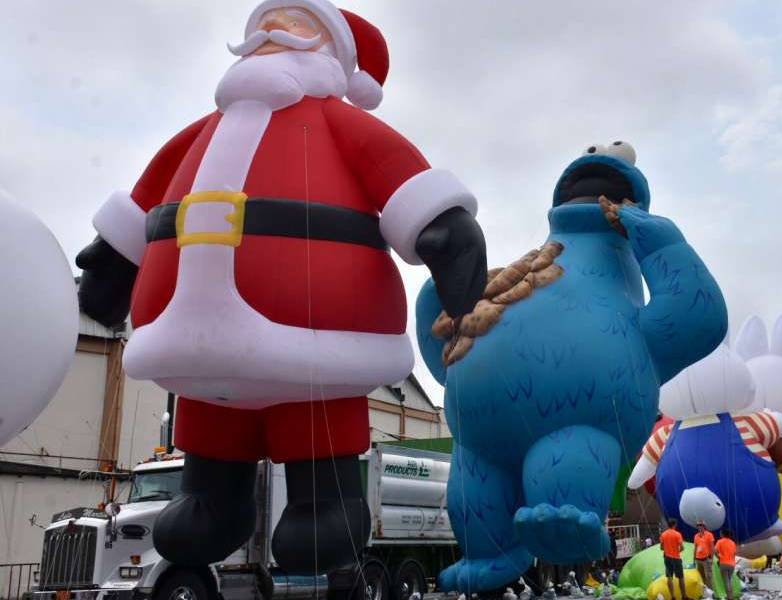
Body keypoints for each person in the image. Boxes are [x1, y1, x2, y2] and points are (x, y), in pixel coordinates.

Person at [73, 0, 489, 575]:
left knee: (312, 417)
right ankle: (212, 502)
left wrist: (443, 231)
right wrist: (113, 264)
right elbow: (149, 193)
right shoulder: (202, 132)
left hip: (314, 338)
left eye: (298, 27)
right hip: (193, 343)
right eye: (266, 24)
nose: (272, 32)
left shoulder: (339, 122)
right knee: (214, 419)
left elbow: (399, 174)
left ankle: (327, 504)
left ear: (335, 61)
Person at [661, 519, 685, 600]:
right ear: (674, 525)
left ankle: (673, 596)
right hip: (676, 558)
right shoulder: (677, 534)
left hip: (667, 557)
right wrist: (677, 551)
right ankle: (684, 596)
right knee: (681, 577)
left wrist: (667, 549)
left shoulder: (663, 534)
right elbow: (682, 547)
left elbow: (661, 547)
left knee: (669, 577)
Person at [715, 529, 738, 600]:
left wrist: (719, 557)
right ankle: (730, 596)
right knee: (729, 579)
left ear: (722, 534)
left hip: (723, 563)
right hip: (732, 564)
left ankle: (729, 597)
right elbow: (734, 553)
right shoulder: (733, 543)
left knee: (726, 580)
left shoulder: (720, 542)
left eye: (720, 533)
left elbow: (715, 551)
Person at [693, 521, 716, 588]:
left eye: (701, 525)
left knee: (708, 576)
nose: (699, 527)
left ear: (704, 526)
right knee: (700, 576)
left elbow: (712, 547)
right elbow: (695, 548)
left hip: (706, 559)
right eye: (698, 525)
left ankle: (711, 592)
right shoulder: (696, 536)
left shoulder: (709, 535)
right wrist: (694, 559)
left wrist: (711, 558)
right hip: (698, 559)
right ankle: (705, 592)